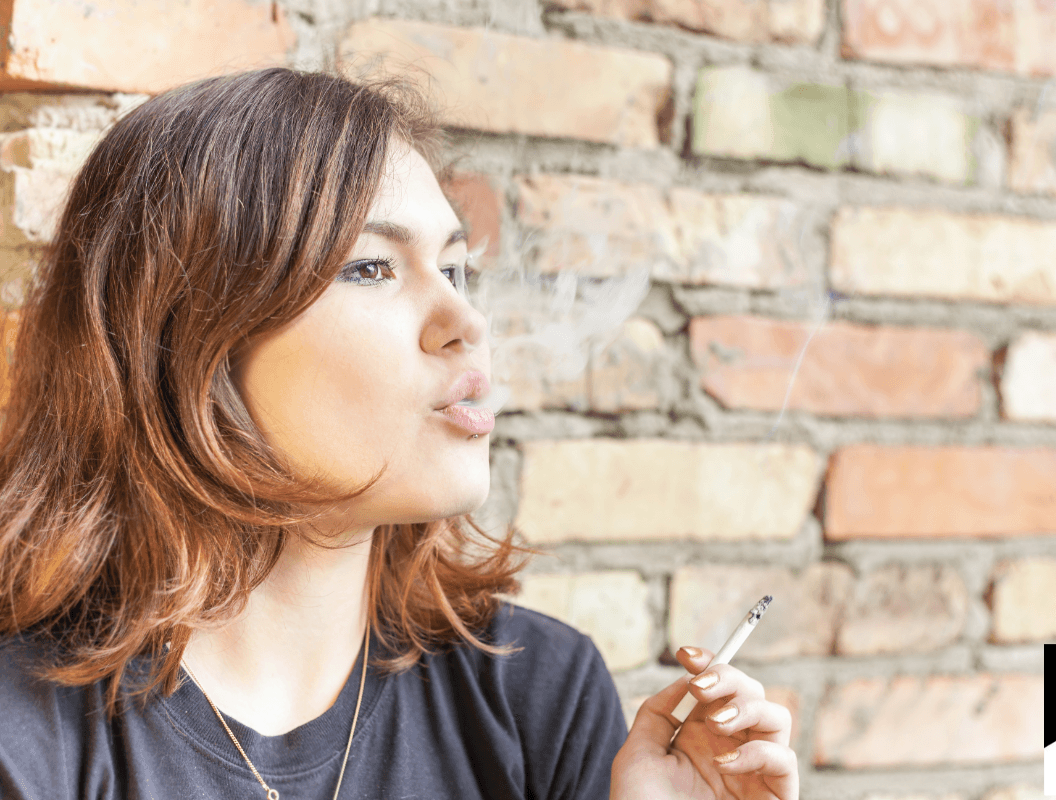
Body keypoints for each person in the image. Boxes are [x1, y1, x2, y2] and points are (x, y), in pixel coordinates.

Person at [0, 67, 799, 800]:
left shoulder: (537, 697)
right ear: (189, 339)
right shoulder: (26, 736)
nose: (466, 321)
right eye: (371, 267)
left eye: (454, 270)